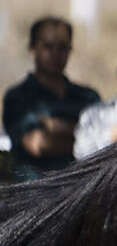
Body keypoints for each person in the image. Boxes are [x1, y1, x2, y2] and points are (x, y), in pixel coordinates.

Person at [3, 17, 100, 180]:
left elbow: (105, 142)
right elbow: (38, 144)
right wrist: (84, 135)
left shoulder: (88, 97)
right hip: (33, 196)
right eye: (48, 46)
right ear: (32, 49)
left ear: (70, 49)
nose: (56, 54)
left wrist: (61, 127)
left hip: (80, 195)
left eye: (62, 47)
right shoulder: (18, 96)